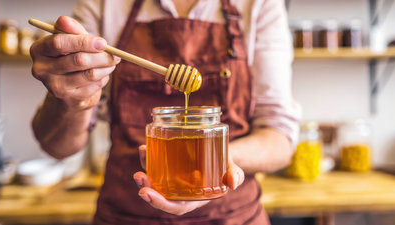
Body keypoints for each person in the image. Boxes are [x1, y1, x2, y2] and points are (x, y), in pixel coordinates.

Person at [30, 0, 300, 224]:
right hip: (126, 215)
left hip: (233, 217)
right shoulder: (103, 4)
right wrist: (73, 95)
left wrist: (214, 161)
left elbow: (279, 137)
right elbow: (57, 147)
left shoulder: (259, 4)